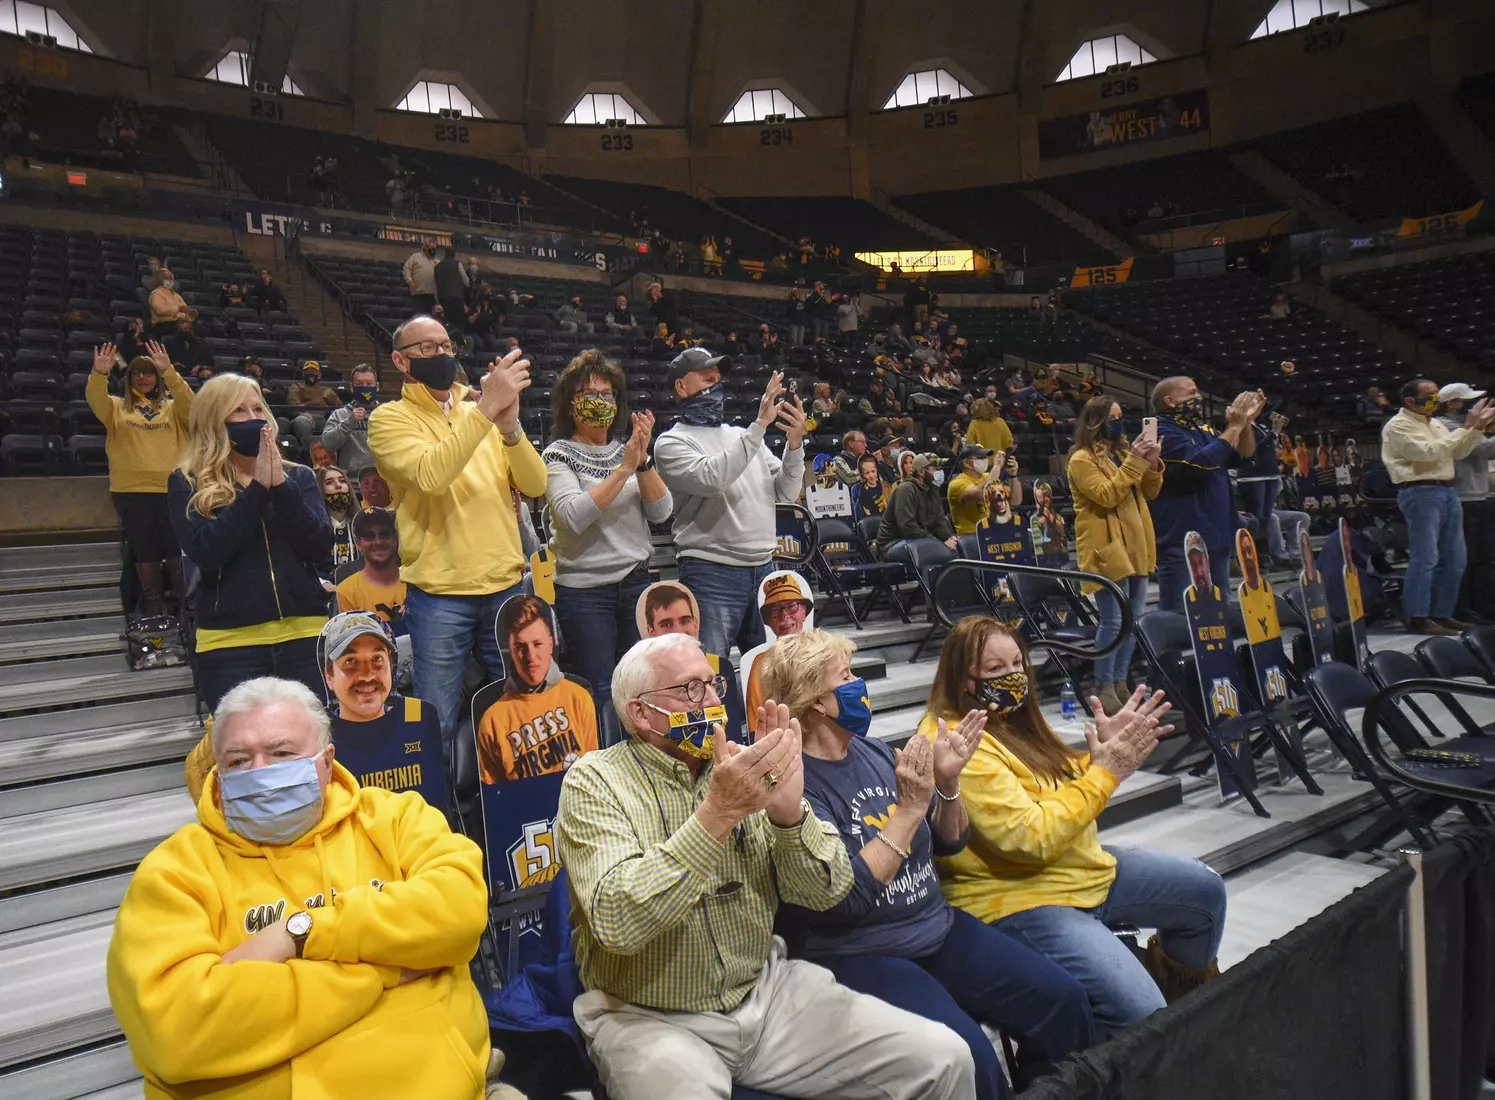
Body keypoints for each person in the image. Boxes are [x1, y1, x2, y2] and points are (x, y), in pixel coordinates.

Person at [553, 633, 976, 1100]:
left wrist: (788, 815)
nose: (712, 700)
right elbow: (617, 921)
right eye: (691, 690)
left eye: (713, 684)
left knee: (944, 1058)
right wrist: (716, 814)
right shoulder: (595, 781)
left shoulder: (743, 766)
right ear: (639, 713)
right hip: (646, 1016)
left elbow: (826, 892)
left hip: (765, 991)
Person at [106, 677, 489, 1099]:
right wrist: (383, 969)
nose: (261, 772)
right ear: (217, 770)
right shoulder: (175, 870)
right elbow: (173, 1029)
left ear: (326, 762)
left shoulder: (395, 817)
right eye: (238, 761)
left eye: (281, 752)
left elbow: (459, 910)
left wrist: (298, 934)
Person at [763, 630, 1099, 1099]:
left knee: (1063, 1001)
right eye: (847, 676)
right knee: (971, 1053)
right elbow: (847, 897)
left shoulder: (874, 751)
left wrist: (946, 785)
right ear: (817, 701)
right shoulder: (795, 786)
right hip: (859, 951)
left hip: (935, 926)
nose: (859, 684)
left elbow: (951, 840)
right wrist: (909, 810)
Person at [921, 617, 1227, 1034]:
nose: (1012, 677)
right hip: (1017, 897)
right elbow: (1029, 837)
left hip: (1077, 870)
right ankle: (1151, 1052)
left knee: (1205, 893)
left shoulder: (1009, 716)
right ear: (961, 678)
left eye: (1017, 664)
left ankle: (1184, 1022)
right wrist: (1105, 772)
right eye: (995, 670)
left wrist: (1101, 755)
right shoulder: (957, 738)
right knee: (1143, 1014)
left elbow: (1056, 785)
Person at [368, 317, 544, 742]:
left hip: (505, 586)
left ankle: (513, 808)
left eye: (447, 346)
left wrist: (510, 428)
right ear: (400, 360)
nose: (442, 355)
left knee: (522, 715)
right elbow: (431, 475)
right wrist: (486, 412)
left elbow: (537, 485)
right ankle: (441, 810)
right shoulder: (388, 419)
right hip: (439, 595)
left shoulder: (478, 415)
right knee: (439, 722)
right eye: (427, 349)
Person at [168, 374, 331, 709]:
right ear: (214, 419)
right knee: (244, 757)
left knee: (312, 753)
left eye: (258, 408)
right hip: (230, 647)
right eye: (239, 411)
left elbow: (319, 545)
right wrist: (257, 491)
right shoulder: (187, 481)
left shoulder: (298, 477)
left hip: (305, 638)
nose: (254, 418)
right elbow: (207, 551)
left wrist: (280, 489)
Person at [544, 350, 672, 741]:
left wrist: (643, 460)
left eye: (606, 392)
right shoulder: (557, 454)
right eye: (587, 392)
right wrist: (624, 470)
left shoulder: (628, 449)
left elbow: (662, 511)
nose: (597, 400)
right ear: (570, 401)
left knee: (644, 685)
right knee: (601, 689)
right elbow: (573, 515)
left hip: (635, 584)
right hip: (584, 592)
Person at [655, 350, 806, 661]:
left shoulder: (742, 435)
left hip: (765, 567)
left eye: (718, 381)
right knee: (712, 672)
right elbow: (713, 479)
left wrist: (794, 445)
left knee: (773, 671)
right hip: (711, 571)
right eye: (707, 380)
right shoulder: (671, 443)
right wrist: (760, 426)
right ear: (681, 388)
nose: (717, 387)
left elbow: (786, 492)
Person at [1067, 397, 1163, 713]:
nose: (1119, 421)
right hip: (1106, 549)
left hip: (1136, 546)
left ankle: (1121, 682)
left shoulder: (1121, 453)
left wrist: (1151, 463)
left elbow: (1151, 491)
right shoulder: (1081, 460)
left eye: (1121, 416)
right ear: (1095, 420)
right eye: (1113, 416)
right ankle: (1103, 686)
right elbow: (1107, 496)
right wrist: (1134, 461)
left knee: (1133, 620)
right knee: (1113, 620)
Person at [1382, 378, 1495, 634]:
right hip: (1419, 491)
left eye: (1436, 394)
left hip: (1447, 490)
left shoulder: (1434, 423)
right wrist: (1466, 427)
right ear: (1410, 400)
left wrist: (1475, 429)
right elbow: (1428, 452)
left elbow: (1459, 453)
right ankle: (1418, 617)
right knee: (1426, 558)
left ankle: (1442, 614)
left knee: (1456, 559)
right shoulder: (1398, 426)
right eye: (1430, 395)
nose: (1435, 400)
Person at [88, 340, 192, 616]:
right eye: (137, 373)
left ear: (157, 378)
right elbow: (94, 399)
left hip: (172, 488)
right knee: (145, 550)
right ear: (130, 378)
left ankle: (185, 607)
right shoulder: (116, 407)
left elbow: (193, 407)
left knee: (174, 548)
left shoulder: (172, 408)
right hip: (130, 490)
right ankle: (154, 608)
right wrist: (99, 374)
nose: (143, 378)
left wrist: (169, 371)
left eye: (149, 373)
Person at [1150, 377, 1266, 612]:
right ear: (1170, 401)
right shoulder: (1159, 432)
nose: (1198, 398)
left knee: (1219, 611)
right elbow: (1201, 464)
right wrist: (1234, 426)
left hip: (1217, 534)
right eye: (1191, 393)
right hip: (1182, 540)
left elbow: (1243, 457)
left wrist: (1245, 424)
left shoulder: (1202, 429)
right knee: (1179, 616)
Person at [320, 611, 446, 808]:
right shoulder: (318, 735)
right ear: (329, 677)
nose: (367, 675)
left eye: (377, 659)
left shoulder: (422, 716)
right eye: (351, 661)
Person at [475, 594, 599, 783]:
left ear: (550, 644)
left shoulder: (578, 698)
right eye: (520, 647)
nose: (530, 657)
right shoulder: (492, 720)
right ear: (509, 649)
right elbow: (494, 799)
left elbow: (595, 773)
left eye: (538, 644)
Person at [1435, 383, 1495, 624]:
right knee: (1465, 556)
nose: (1475, 405)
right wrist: (1479, 426)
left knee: (1483, 556)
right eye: (1468, 400)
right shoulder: (1446, 425)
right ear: (1452, 403)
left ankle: (1483, 605)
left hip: (1479, 494)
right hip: (1462, 495)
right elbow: (1482, 451)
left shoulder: (1467, 424)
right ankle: (1463, 608)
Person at [877, 453, 958, 574]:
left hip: (917, 539)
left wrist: (949, 537)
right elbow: (907, 526)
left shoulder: (933, 490)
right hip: (891, 544)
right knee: (930, 548)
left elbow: (939, 521)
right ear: (921, 472)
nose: (938, 472)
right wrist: (937, 541)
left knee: (958, 548)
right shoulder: (905, 489)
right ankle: (931, 592)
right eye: (934, 469)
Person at [336, 506, 406, 629]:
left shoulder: (416, 582)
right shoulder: (346, 591)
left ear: (395, 539)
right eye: (369, 536)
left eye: (384, 534)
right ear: (358, 544)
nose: (378, 542)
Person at [946, 443, 1023, 536]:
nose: (985, 460)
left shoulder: (988, 477)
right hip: (973, 537)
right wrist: (997, 466)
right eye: (981, 458)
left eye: (985, 457)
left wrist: (1013, 476)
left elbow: (1015, 502)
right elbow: (982, 493)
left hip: (996, 532)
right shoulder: (957, 483)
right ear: (967, 463)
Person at [320, 364, 380, 475]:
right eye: (359, 384)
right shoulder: (340, 414)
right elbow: (327, 444)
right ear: (352, 388)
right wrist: (349, 422)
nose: (365, 387)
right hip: (352, 481)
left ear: (377, 387)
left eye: (369, 384)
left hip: (384, 481)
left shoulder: (388, 415)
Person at [285, 360, 341, 458]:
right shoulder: (296, 387)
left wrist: (331, 398)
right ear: (303, 374)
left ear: (319, 375)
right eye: (308, 372)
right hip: (304, 416)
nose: (311, 374)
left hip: (323, 418)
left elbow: (339, 407)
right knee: (301, 421)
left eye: (313, 372)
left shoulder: (325, 389)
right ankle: (308, 453)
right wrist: (304, 412)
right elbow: (294, 405)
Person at [317, 464, 360, 577]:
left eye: (342, 481)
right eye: (329, 482)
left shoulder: (363, 524)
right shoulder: (314, 527)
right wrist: (323, 582)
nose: (338, 485)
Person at [148, 268, 193, 337]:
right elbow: (161, 311)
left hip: (177, 321)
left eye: (171, 278)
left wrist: (188, 313)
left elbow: (184, 309)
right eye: (166, 278)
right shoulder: (156, 293)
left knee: (195, 326)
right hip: (162, 324)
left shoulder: (176, 295)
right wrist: (178, 310)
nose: (170, 281)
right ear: (160, 280)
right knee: (181, 329)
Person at [403, 239, 439, 316]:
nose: (432, 250)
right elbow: (406, 269)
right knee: (420, 317)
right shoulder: (415, 257)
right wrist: (410, 281)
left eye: (434, 248)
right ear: (425, 247)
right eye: (430, 248)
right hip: (418, 293)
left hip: (432, 295)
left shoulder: (436, 261)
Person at [433, 247, 469, 324]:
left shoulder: (437, 266)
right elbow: (466, 281)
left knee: (445, 323)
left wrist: (437, 301)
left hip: (443, 298)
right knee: (457, 323)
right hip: (457, 298)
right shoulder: (457, 264)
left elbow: (435, 284)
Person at [852, 454, 891, 520]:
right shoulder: (862, 491)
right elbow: (866, 514)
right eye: (867, 473)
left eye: (873, 471)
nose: (871, 475)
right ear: (862, 474)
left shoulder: (886, 486)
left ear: (877, 470)